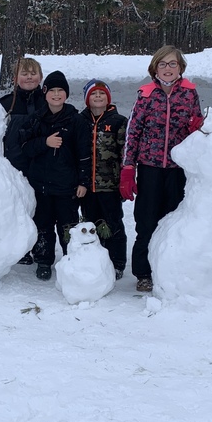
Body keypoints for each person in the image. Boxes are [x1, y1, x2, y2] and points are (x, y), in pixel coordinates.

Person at [120, 45, 204, 292]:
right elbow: (132, 133)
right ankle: (143, 272)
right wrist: (128, 168)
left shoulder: (189, 94)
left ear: (181, 67)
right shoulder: (145, 94)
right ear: (155, 68)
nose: (167, 69)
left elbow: (197, 133)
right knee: (146, 221)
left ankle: (169, 269)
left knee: (174, 220)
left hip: (178, 169)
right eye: (163, 64)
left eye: (172, 64)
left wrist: (196, 128)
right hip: (150, 168)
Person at [19, 70, 90, 281]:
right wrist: (45, 142)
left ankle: (71, 259)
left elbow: (85, 154)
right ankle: (44, 260)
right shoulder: (36, 119)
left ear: (66, 94)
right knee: (43, 225)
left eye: (61, 91)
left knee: (68, 225)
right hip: (40, 184)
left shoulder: (75, 120)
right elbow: (25, 147)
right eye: (52, 91)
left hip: (66, 185)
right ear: (45, 92)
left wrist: (83, 182)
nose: (56, 95)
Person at [0, 57, 47, 265]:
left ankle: (41, 247)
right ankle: (21, 249)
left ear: (41, 77)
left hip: (42, 162)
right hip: (15, 164)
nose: (29, 77)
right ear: (15, 78)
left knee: (42, 207)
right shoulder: (5, 103)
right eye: (24, 74)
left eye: (33, 73)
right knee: (19, 207)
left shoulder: (48, 102)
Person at [79, 79, 128, 279]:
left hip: (110, 185)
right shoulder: (80, 120)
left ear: (108, 98)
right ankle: (94, 262)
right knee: (91, 223)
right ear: (87, 99)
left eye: (101, 94)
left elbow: (125, 152)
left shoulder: (118, 122)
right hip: (87, 186)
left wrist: (125, 178)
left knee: (113, 223)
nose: (97, 97)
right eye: (93, 94)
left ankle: (117, 262)